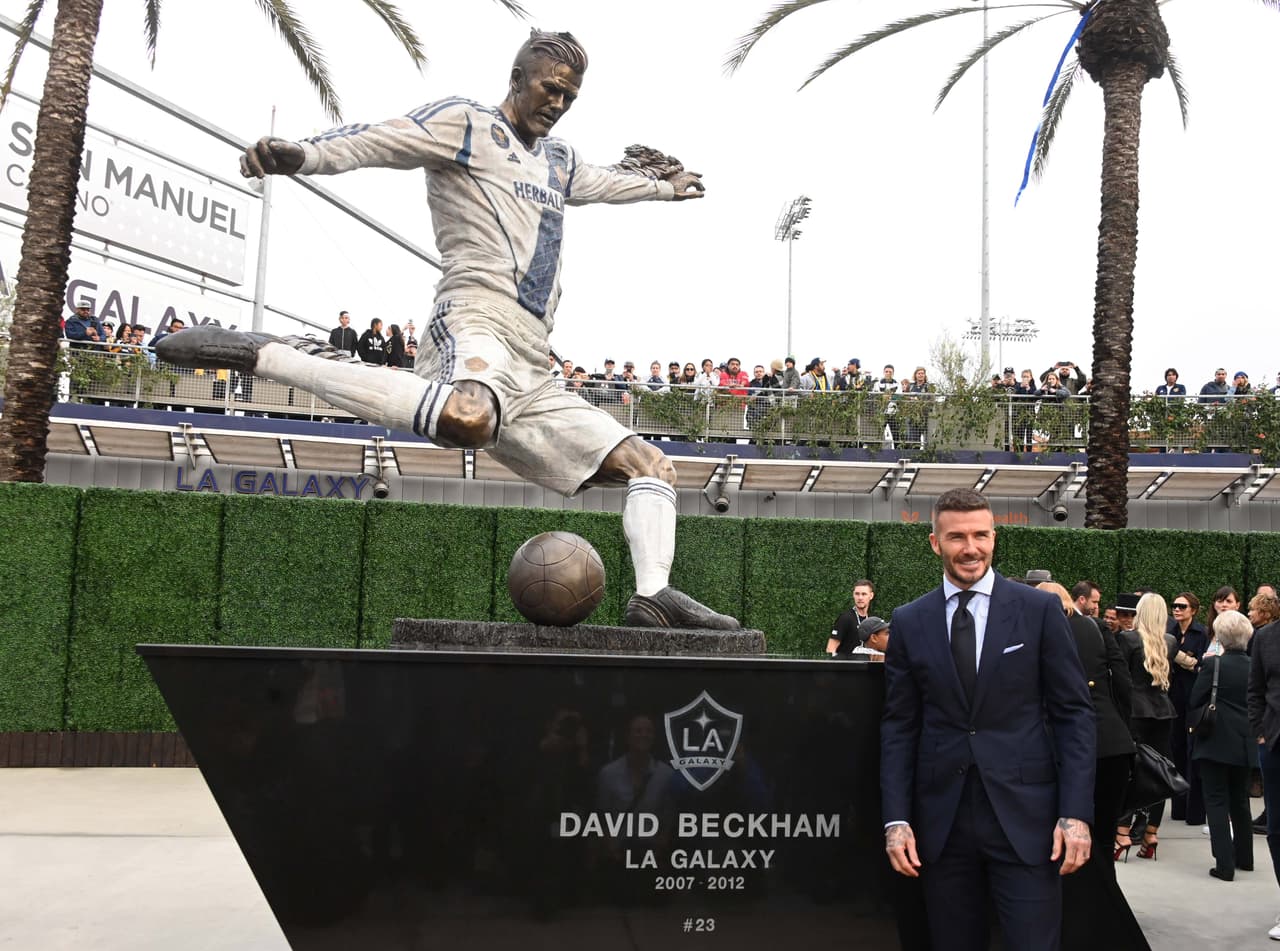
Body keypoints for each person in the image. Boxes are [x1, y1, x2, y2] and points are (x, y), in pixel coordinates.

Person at [158, 30, 732, 631]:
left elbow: (611, 183)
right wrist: (303, 154)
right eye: (550, 89)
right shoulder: (467, 124)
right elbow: (383, 139)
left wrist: (665, 187)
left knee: (650, 465)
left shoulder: (560, 161)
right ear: (516, 79)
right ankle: (279, 355)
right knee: (466, 419)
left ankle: (653, 596)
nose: (558, 103)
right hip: (472, 316)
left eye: (570, 95)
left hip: (534, 357)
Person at [880, 488, 1094, 951]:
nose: (970, 548)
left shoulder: (1038, 611)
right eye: (957, 537)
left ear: (994, 538)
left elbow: (1074, 714)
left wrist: (1075, 813)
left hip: (1028, 822)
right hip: (941, 826)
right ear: (935, 543)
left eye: (980, 535)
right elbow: (899, 727)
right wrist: (896, 819)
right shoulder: (910, 620)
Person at [1191, 610, 1255, 881]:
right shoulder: (1255, 665)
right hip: (1245, 741)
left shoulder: (1212, 665)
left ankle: (1224, 864)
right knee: (1241, 800)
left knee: (1216, 800)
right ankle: (1245, 858)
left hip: (1215, 739)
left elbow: (1195, 700)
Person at [1115, 593, 1179, 861]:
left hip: (1134, 712)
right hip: (1163, 713)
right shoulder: (1171, 642)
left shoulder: (1128, 639)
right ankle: (1152, 833)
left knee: (1129, 771)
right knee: (1159, 771)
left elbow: (1120, 679)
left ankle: (1121, 832)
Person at [1249, 595, 1280, 940]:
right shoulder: (1266, 637)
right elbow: (1255, 689)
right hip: (1274, 744)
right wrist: (1260, 731)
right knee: (1277, 830)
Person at [1168, 592, 1209, 826]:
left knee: (1192, 752)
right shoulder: (1171, 632)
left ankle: (1194, 812)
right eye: (1174, 606)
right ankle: (1178, 807)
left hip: (1194, 697)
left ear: (1193, 610)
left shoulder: (1201, 633)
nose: (1177, 610)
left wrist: (1184, 659)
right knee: (1176, 749)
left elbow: (1203, 665)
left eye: (1182, 606)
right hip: (1173, 697)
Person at [826, 579, 876, 656]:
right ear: (853, 595)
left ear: (871, 596)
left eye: (864, 594)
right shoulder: (845, 618)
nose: (860, 597)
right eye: (857, 594)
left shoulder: (872, 619)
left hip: (865, 666)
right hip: (847, 667)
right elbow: (831, 648)